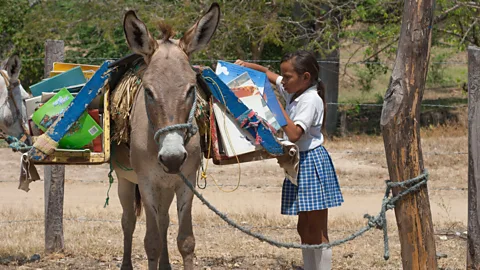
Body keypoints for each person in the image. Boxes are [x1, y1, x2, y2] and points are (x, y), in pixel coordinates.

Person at [235, 51, 343, 270]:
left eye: (288, 76)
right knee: (304, 228)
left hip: (311, 162)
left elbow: (294, 134)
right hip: (299, 163)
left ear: (305, 77)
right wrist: (245, 66)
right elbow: (266, 73)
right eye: (283, 76)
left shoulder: (310, 100)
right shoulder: (295, 90)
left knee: (317, 229)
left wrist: (274, 105)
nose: (283, 81)